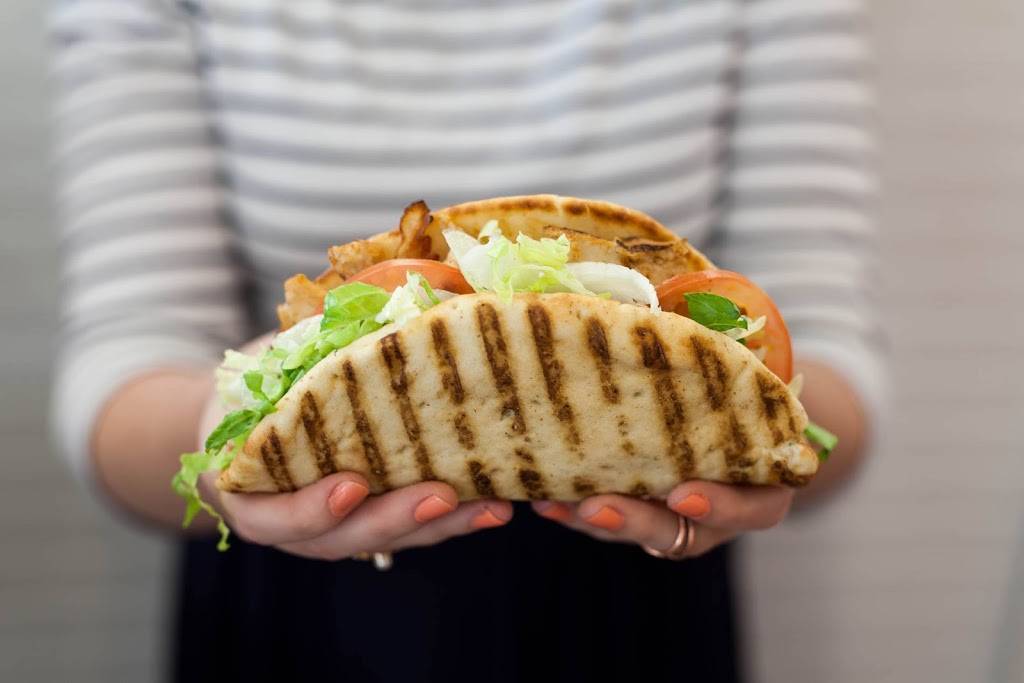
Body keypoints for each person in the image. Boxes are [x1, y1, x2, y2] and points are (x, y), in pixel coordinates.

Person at [50, 0, 881, 680]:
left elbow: (824, 361)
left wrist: (766, 453)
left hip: (641, 596)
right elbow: (123, 363)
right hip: (293, 592)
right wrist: (221, 441)